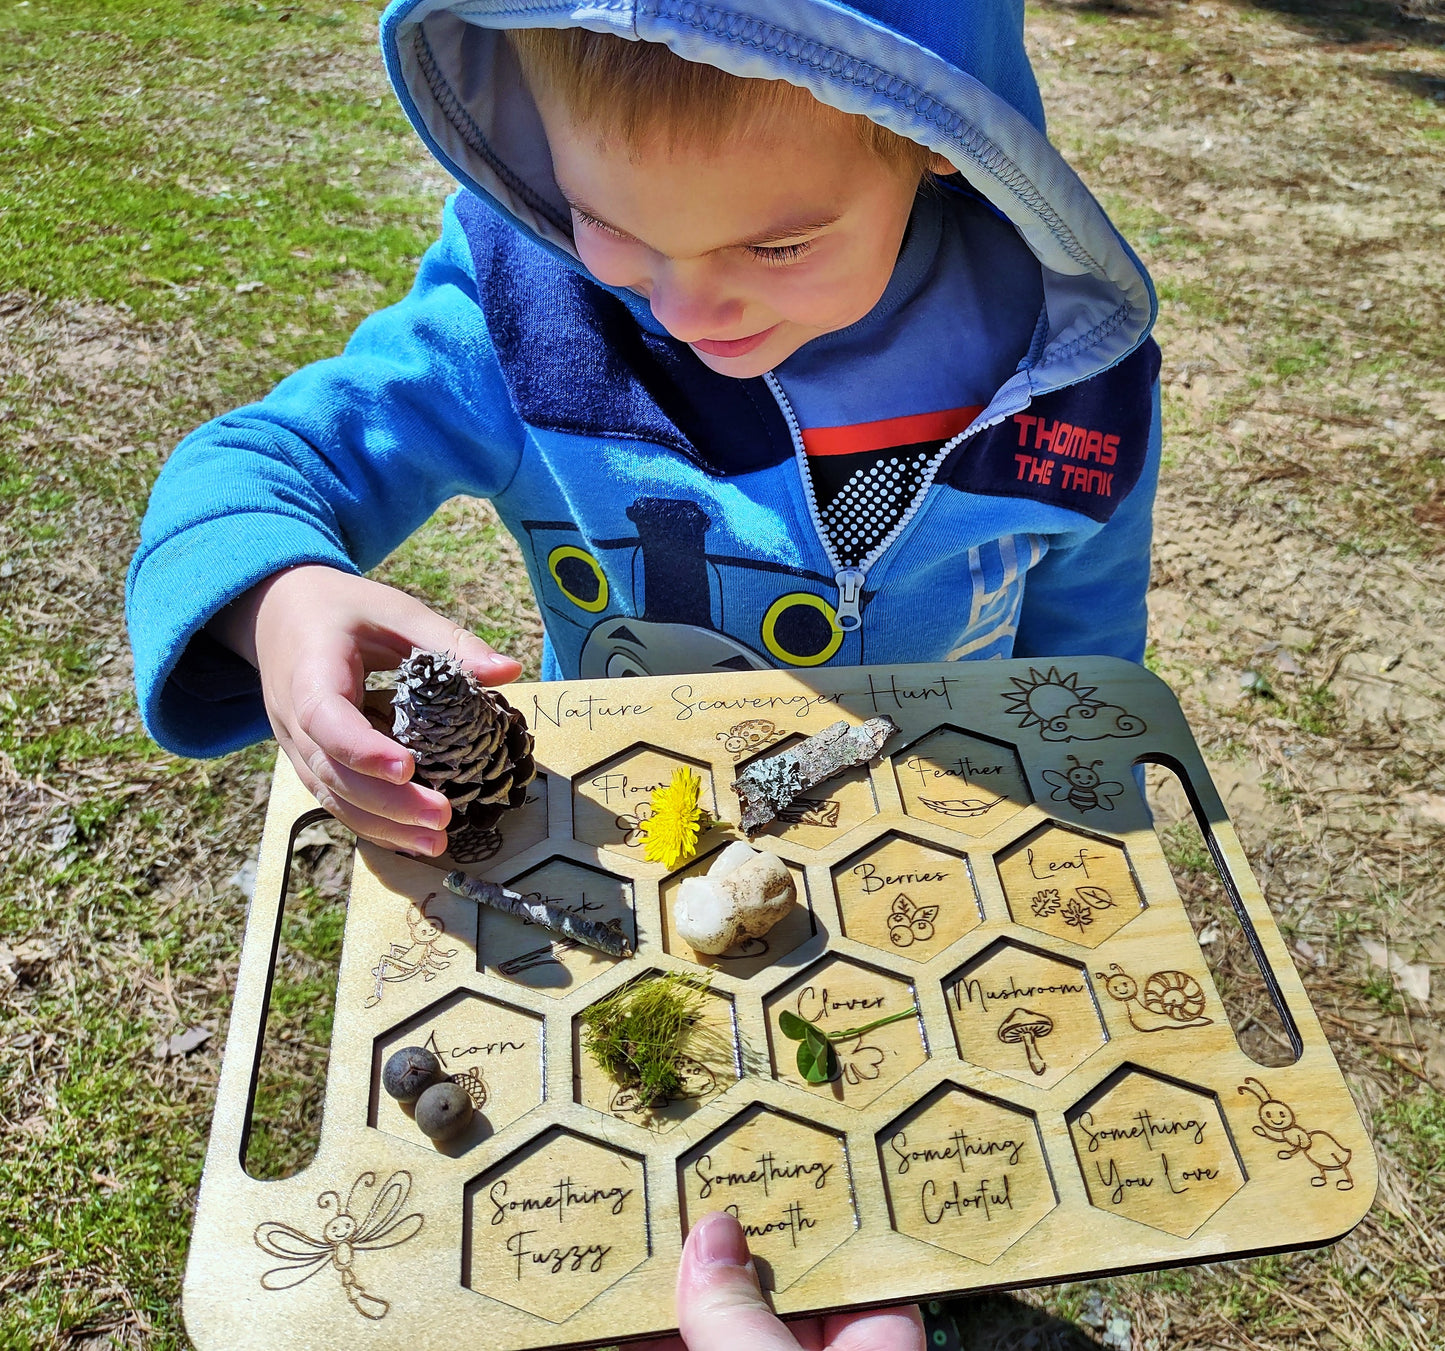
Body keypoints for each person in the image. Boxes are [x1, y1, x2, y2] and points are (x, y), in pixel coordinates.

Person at [126, 0, 1160, 863]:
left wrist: (1093, 818)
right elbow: (256, 467)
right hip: (628, 848)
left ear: (938, 139)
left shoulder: (1065, 368)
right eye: (611, 226)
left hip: (945, 854)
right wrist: (276, 596)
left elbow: (1084, 653)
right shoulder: (519, 310)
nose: (687, 310)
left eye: (778, 245)